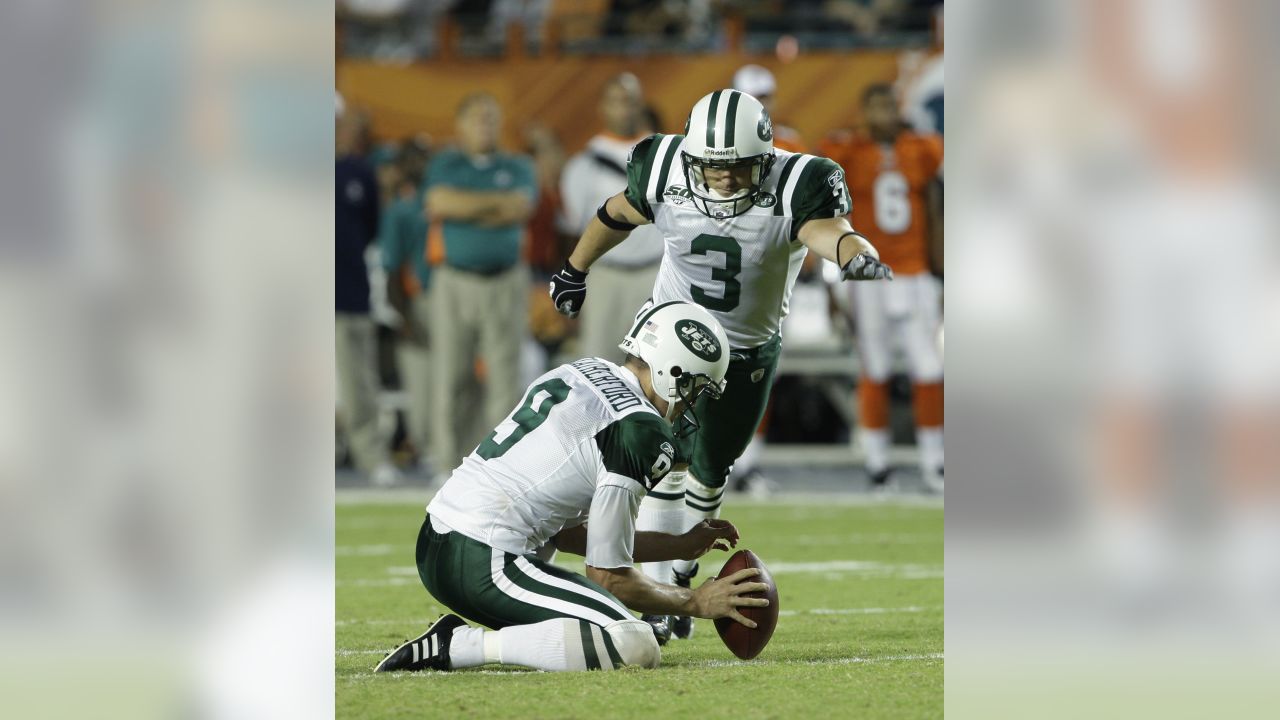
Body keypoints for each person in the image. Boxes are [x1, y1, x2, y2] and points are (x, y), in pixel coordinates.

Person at [549, 89, 892, 642]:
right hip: (670, 337)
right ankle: (660, 600)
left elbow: (822, 230)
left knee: (711, 470)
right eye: (712, 165)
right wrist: (573, 269)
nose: (724, 179)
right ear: (691, 155)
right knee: (659, 458)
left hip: (746, 349)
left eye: (737, 167)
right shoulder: (662, 166)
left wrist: (852, 250)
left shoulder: (797, 180)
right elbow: (616, 213)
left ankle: (680, 568)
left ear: (763, 157)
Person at [374, 302, 769, 673]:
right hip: (483, 558)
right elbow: (608, 576)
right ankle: (457, 646)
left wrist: (679, 545)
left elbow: (570, 534)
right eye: (696, 388)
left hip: (440, 538)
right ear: (673, 371)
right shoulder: (638, 431)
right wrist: (695, 601)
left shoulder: (584, 370)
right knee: (634, 644)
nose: (691, 404)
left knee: (608, 627)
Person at [820, 83, 943, 491]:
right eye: (876, 107)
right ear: (864, 112)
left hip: (914, 270)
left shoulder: (921, 148)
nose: (884, 115)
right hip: (867, 273)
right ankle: (877, 463)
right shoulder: (849, 152)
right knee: (875, 368)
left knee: (930, 368)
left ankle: (936, 461)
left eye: (890, 106)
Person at [424, 92, 538, 473]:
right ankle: (445, 465)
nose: (484, 125)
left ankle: (500, 468)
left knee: (505, 379)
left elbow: (520, 208)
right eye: (476, 118)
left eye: (490, 118)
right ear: (459, 125)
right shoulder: (446, 163)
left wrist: (467, 208)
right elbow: (440, 203)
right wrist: (495, 206)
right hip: (454, 280)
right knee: (451, 376)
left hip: (506, 279)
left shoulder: (517, 165)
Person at [560, 73, 665, 361]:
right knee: (599, 362)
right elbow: (572, 232)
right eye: (616, 102)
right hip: (605, 273)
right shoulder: (583, 165)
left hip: (653, 274)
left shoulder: (662, 156)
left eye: (629, 101)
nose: (623, 109)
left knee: (653, 364)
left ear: (641, 105)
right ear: (602, 107)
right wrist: (573, 281)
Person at [336, 102, 400, 487]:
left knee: (359, 382)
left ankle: (370, 455)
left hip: (347, 290)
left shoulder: (360, 172)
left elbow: (371, 229)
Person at [380, 140, 434, 471]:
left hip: (451, 295)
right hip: (418, 298)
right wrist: (402, 313)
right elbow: (392, 265)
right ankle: (426, 447)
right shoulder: (402, 208)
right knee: (422, 380)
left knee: (454, 380)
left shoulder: (442, 199)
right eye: (414, 160)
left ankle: (449, 447)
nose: (420, 165)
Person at [732, 64, 807, 153]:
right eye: (752, 99)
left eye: (764, 99)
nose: (761, 105)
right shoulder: (722, 140)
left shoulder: (788, 140)